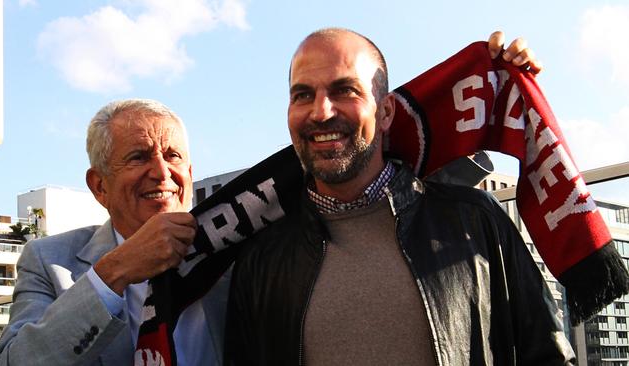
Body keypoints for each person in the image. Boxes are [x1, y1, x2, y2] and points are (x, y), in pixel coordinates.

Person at [224, 29, 576, 365]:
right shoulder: (260, 260)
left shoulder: (476, 223)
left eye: (344, 90)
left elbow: (548, 356)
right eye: (302, 95)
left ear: (387, 111)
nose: (320, 112)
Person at [0, 99, 229, 366]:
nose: (162, 172)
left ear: (190, 174)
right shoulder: (47, 261)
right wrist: (113, 273)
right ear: (100, 186)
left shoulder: (235, 250)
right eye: (139, 157)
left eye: (173, 156)